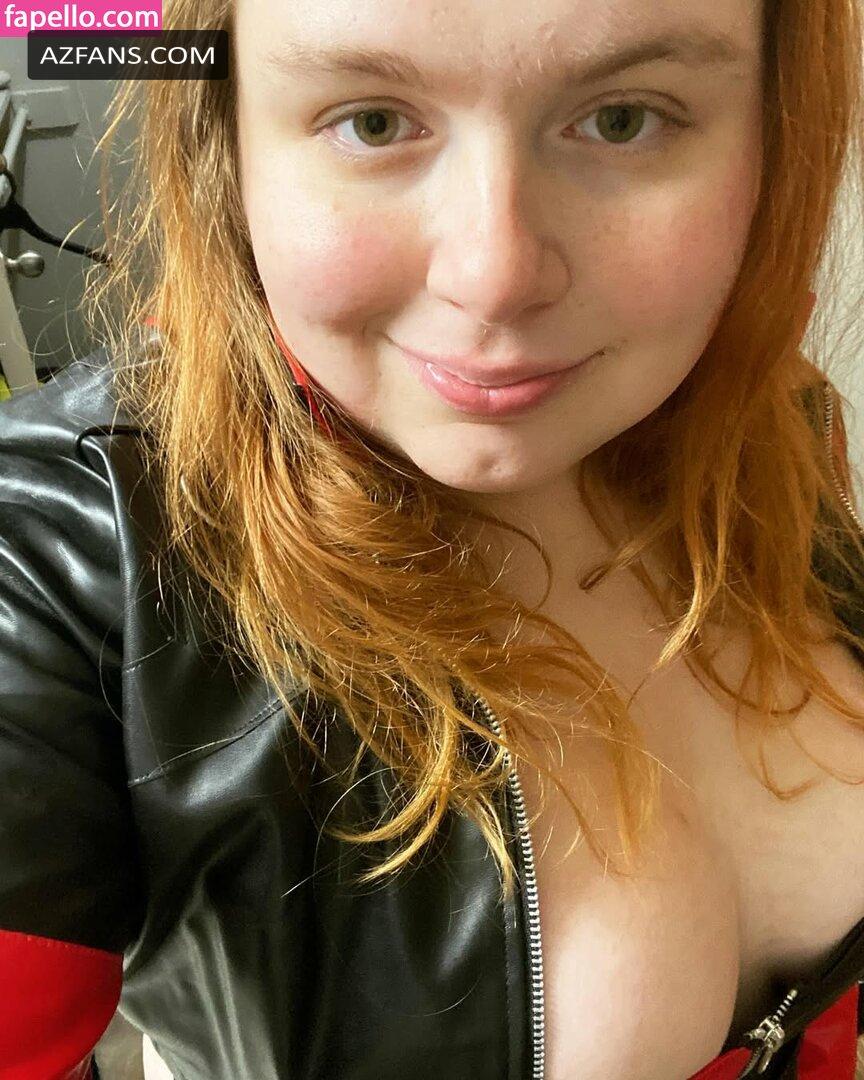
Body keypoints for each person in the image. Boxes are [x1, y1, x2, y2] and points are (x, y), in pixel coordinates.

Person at [2, 0, 864, 1077]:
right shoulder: (55, 557)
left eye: (623, 119)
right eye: (371, 122)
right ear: (224, 140)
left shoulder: (776, 425)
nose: (493, 277)